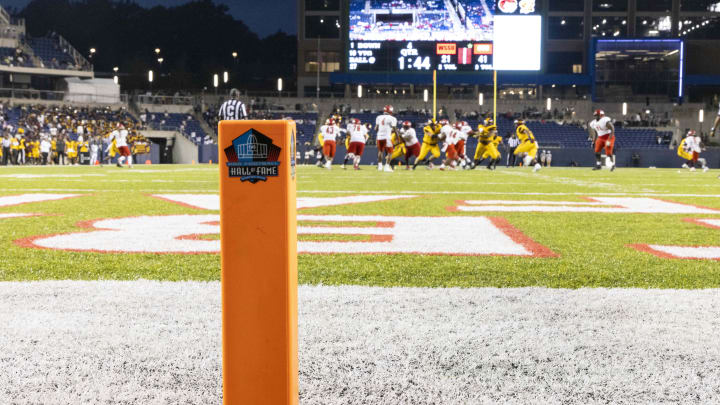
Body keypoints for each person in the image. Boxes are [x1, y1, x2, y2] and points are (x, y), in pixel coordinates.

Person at [374, 105, 397, 172]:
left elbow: (376, 128)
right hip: (387, 137)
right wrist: (397, 136)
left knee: (380, 151)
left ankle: (380, 166)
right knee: (390, 152)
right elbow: (394, 129)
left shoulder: (378, 117)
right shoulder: (392, 118)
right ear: (391, 110)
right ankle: (386, 167)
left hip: (379, 136)